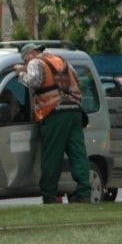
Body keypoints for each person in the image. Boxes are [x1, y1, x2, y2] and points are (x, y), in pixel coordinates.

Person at [13, 43, 92, 204]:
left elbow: (34, 81)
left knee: (51, 157)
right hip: (75, 111)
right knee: (78, 154)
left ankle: (49, 196)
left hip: (54, 113)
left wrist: (20, 74)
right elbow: (78, 81)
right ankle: (84, 192)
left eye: (25, 59)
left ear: (31, 54)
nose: (26, 62)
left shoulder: (36, 62)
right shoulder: (61, 61)